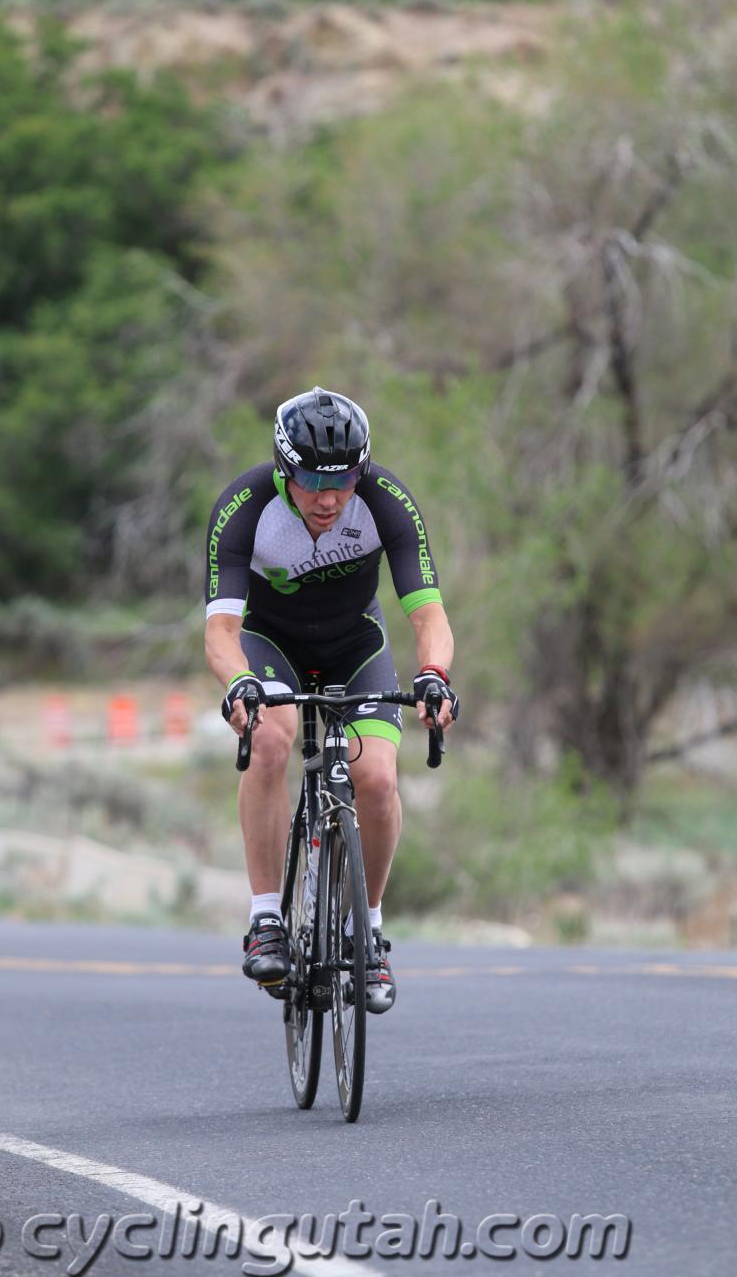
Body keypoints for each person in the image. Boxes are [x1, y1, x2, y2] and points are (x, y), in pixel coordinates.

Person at [204, 386, 458, 1013]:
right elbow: (221, 634)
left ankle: (367, 931)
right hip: (270, 644)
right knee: (269, 737)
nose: (328, 498)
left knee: (376, 779)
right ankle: (267, 916)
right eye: (313, 481)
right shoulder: (245, 507)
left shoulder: (386, 503)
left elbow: (430, 615)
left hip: (355, 645)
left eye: (343, 481)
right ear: (284, 470)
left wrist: (433, 674)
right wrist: (239, 682)